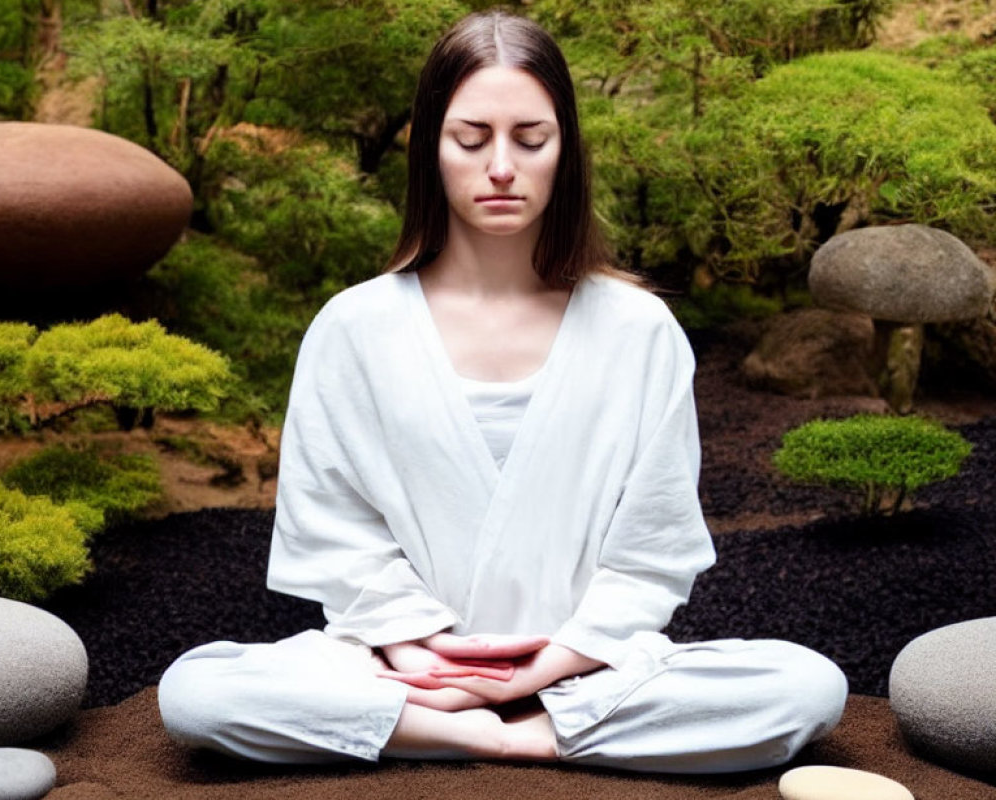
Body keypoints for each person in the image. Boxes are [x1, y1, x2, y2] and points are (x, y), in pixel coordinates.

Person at [158, 10, 847, 772]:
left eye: (531, 138)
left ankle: (516, 731)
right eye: (471, 137)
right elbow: (333, 529)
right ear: (429, 147)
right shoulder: (354, 327)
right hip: (403, 670)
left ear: (566, 149)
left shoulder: (638, 330)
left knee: (806, 686)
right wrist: (418, 652)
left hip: (586, 669)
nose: (500, 168)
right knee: (197, 692)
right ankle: (485, 734)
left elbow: (652, 549)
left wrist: (547, 667)